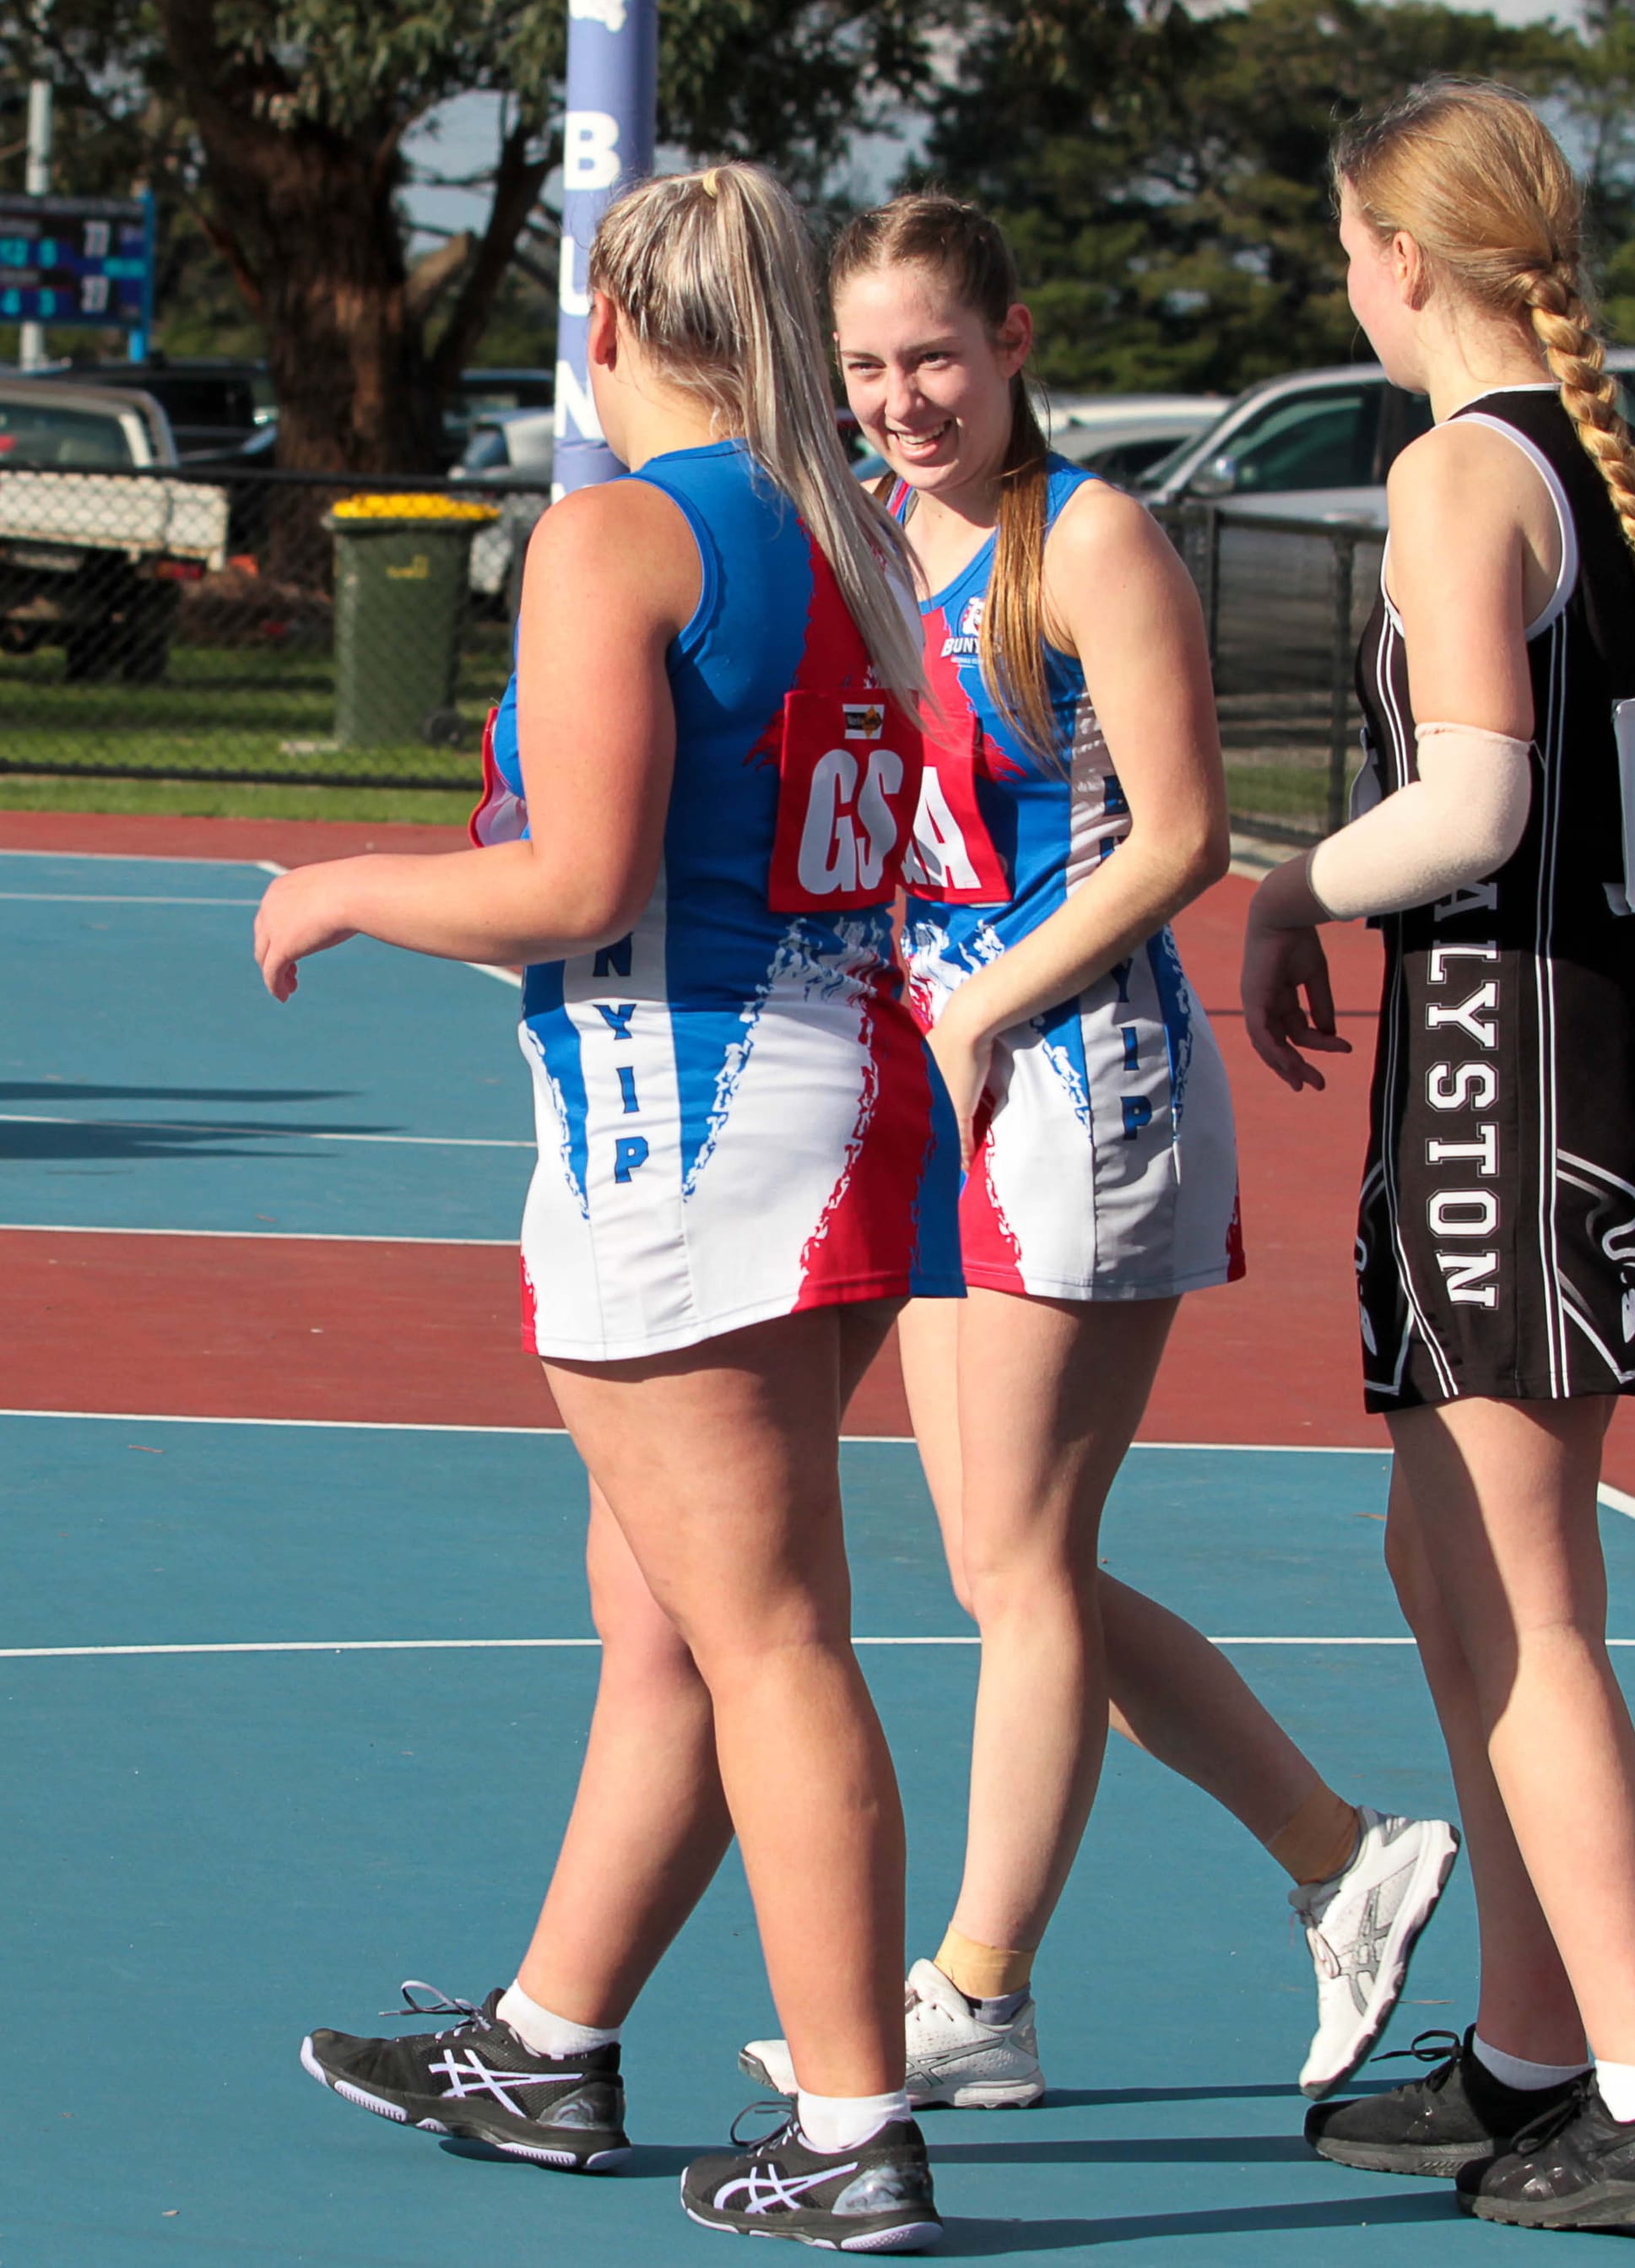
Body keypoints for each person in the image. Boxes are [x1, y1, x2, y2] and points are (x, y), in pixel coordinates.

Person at [255, 161, 964, 2254]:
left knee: (763, 1635)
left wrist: (347, 885)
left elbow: (577, 883)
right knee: (666, 1619)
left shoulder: (619, 535)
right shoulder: (849, 538)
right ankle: (551, 2036)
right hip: (837, 1093)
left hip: (692, 1124)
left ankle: (853, 2126)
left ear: (606, 328)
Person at [740, 193, 1457, 2115]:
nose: (901, 398)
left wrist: (980, 1009)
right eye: (868, 366)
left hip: (1079, 1084)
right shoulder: (875, 539)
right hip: (948, 1081)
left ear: (1016, 340)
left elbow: (1176, 840)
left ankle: (976, 1994)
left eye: (935, 359)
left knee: (1028, 1564)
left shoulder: (1092, 540)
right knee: (1004, 1564)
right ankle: (1338, 1852)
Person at [1242, 80, 1635, 2232]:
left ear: (1397, 260)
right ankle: (1530, 2045)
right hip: (1560, 1064)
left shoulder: (1455, 473)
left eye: (1346, 246)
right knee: (1450, 1571)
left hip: (1518, 1077)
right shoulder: (1614, 470)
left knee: (1525, 1603)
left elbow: (1477, 808)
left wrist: (1279, 885)